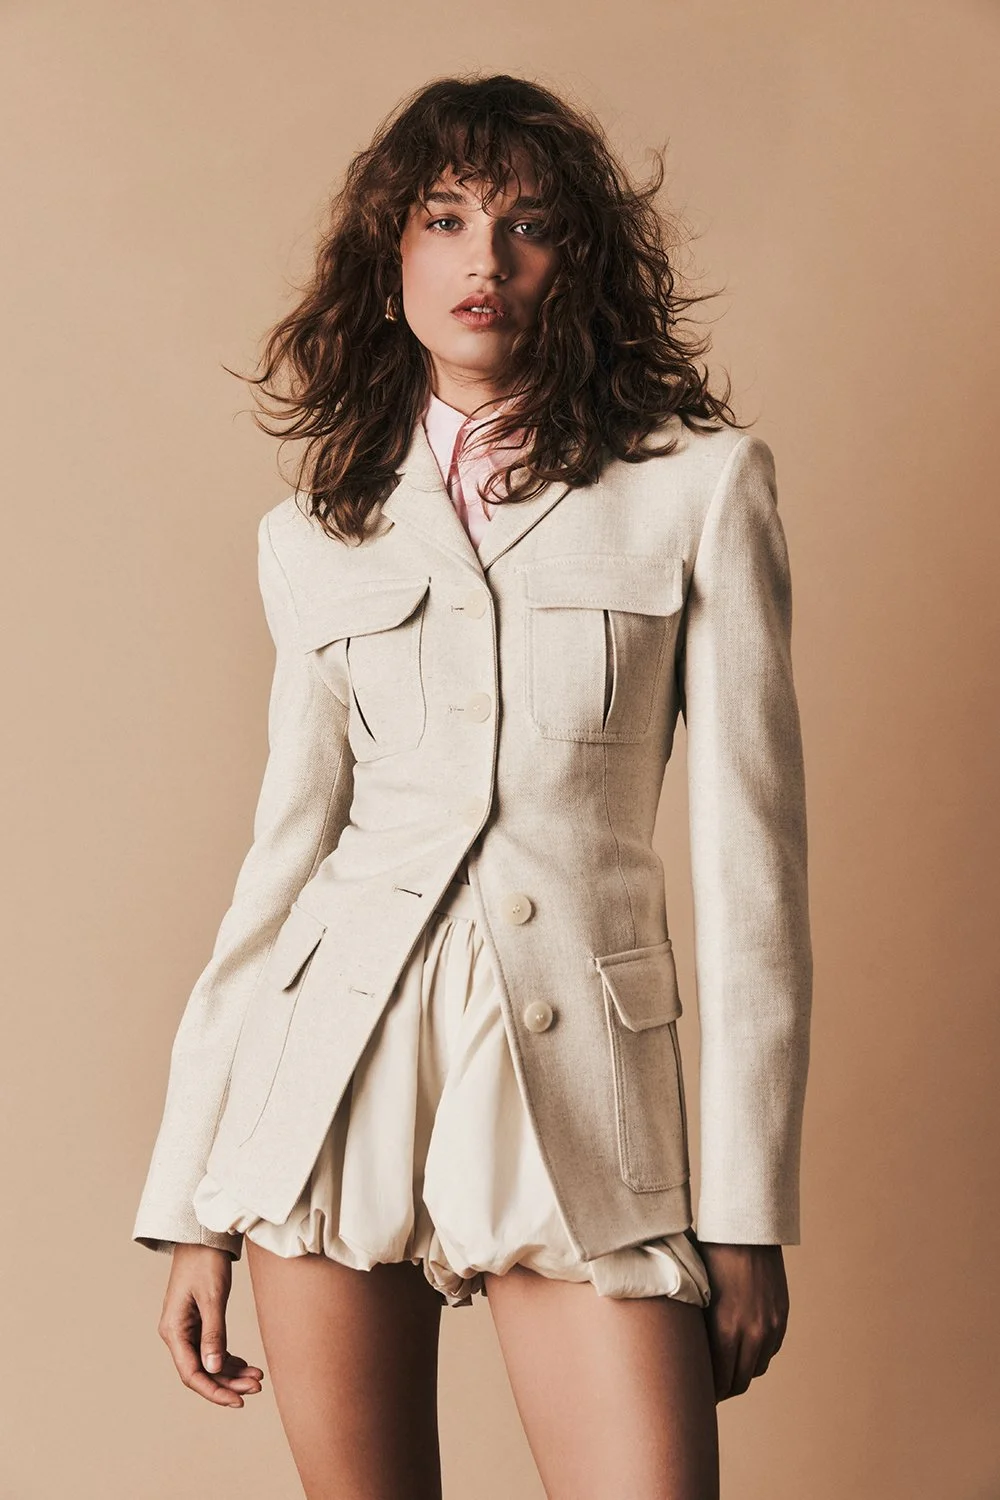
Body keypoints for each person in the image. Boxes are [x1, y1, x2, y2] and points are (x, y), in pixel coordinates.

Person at [133, 72, 812, 1500]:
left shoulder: (698, 486)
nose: (483, 258)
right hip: (327, 1086)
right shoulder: (319, 534)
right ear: (389, 265)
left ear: (581, 268)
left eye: (527, 224)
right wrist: (193, 1201)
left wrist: (747, 1212)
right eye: (443, 219)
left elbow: (754, 874)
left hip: (577, 1086)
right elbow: (280, 866)